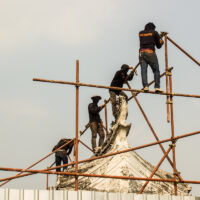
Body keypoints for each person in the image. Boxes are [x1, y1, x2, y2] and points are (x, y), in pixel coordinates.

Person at [139, 22, 164, 92]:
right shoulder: (154, 32)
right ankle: (157, 87)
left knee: (143, 71)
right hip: (150, 52)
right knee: (156, 70)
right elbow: (158, 46)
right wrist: (161, 41)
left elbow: (148, 39)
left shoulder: (140, 33)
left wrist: (157, 38)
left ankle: (145, 86)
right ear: (153, 27)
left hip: (141, 53)